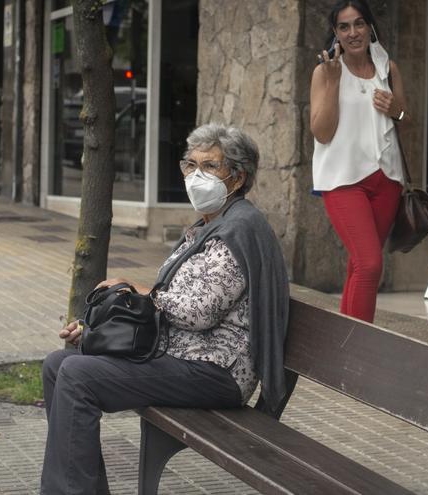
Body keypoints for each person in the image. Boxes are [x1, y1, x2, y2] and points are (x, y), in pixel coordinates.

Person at [40, 123, 290, 494]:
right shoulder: (208, 226)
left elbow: (200, 311)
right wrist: (99, 328)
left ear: (237, 178)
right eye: (190, 165)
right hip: (181, 358)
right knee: (58, 365)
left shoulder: (240, 229)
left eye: (210, 166)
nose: (195, 176)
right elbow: (168, 306)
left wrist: (141, 290)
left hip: (215, 372)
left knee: (77, 375)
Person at [310, 0, 409, 323]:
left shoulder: (387, 68)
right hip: (343, 180)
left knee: (359, 265)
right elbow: (322, 133)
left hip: (386, 181)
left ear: (370, 26)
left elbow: (404, 115)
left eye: (359, 24)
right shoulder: (325, 71)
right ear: (336, 33)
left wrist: (395, 109)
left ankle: (345, 353)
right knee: (369, 264)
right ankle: (359, 353)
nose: (353, 33)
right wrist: (336, 81)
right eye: (344, 26)